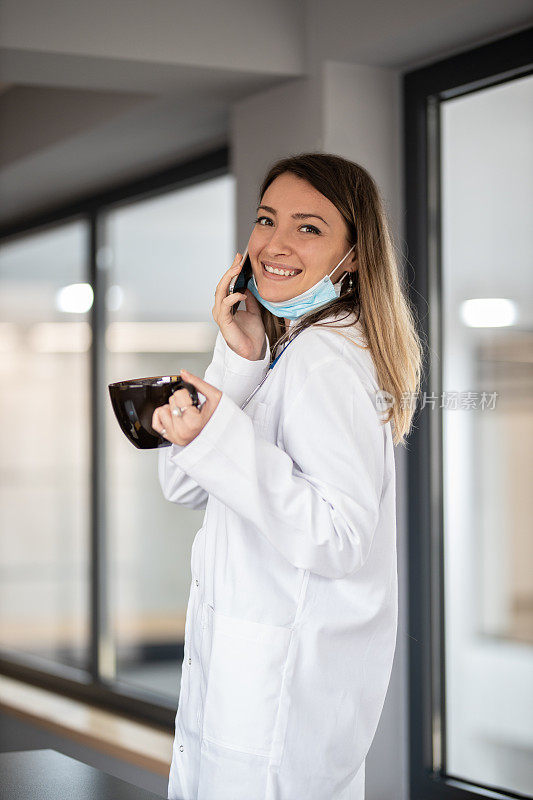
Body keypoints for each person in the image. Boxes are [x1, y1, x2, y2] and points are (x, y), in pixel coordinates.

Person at [153, 152, 423, 800]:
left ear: (353, 256)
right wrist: (240, 359)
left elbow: (339, 537)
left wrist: (219, 437)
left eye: (308, 227)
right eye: (266, 218)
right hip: (249, 688)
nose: (273, 243)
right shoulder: (289, 352)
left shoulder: (323, 360)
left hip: (275, 704)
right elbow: (185, 485)